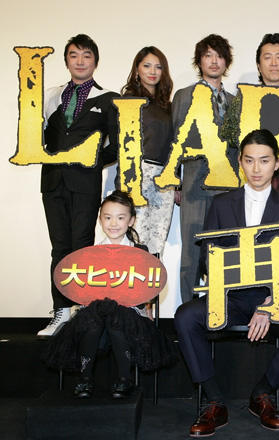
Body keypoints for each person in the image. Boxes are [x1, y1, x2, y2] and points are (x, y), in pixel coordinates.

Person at [174, 129, 279, 436]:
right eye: (249, 160)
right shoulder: (221, 204)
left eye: (264, 160)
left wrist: (270, 305)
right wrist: (225, 287)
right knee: (185, 317)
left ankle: (262, 394)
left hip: (271, 297)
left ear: (276, 163)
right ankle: (214, 401)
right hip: (230, 297)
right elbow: (208, 257)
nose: (256, 168)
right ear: (240, 162)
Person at [42, 191, 176, 398]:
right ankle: (85, 379)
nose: (114, 223)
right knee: (94, 317)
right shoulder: (90, 253)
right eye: (108, 217)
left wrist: (148, 308)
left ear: (131, 220)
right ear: (100, 220)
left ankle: (124, 379)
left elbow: (146, 290)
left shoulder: (140, 251)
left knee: (116, 317)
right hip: (95, 319)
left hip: (129, 319)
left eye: (120, 218)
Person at [38, 34, 120, 337]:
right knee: (59, 247)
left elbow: (116, 146)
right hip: (53, 182)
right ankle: (60, 312)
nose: (80, 61)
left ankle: (81, 312)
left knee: (81, 247)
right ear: (66, 61)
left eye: (86, 55)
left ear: (95, 61)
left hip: (85, 184)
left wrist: (92, 161)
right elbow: (37, 137)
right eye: (74, 55)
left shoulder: (108, 99)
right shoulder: (50, 96)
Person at [173, 34, 235, 305]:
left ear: (226, 62)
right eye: (208, 55)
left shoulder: (235, 101)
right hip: (194, 185)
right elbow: (175, 140)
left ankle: (221, 310)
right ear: (199, 61)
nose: (214, 61)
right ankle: (188, 311)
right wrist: (175, 181)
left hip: (227, 188)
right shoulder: (184, 96)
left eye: (219, 56)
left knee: (224, 252)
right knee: (192, 253)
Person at [220, 33, 279, 207]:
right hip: (250, 178)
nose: (273, 63)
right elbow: (228, 135)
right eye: (267, 57)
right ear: (259, 65)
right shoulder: (244, 98)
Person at [121, 46, 174, 256]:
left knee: (157, 241)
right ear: (137, 69)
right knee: (138, 239)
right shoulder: (128, 101)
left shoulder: (168, 106)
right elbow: (122, 144)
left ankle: (155, 279)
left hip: (165, 178)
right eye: (147, 66)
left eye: (158, 67)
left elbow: (174, 144)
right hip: (138, 174)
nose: (153, 71)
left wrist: (177, 182)